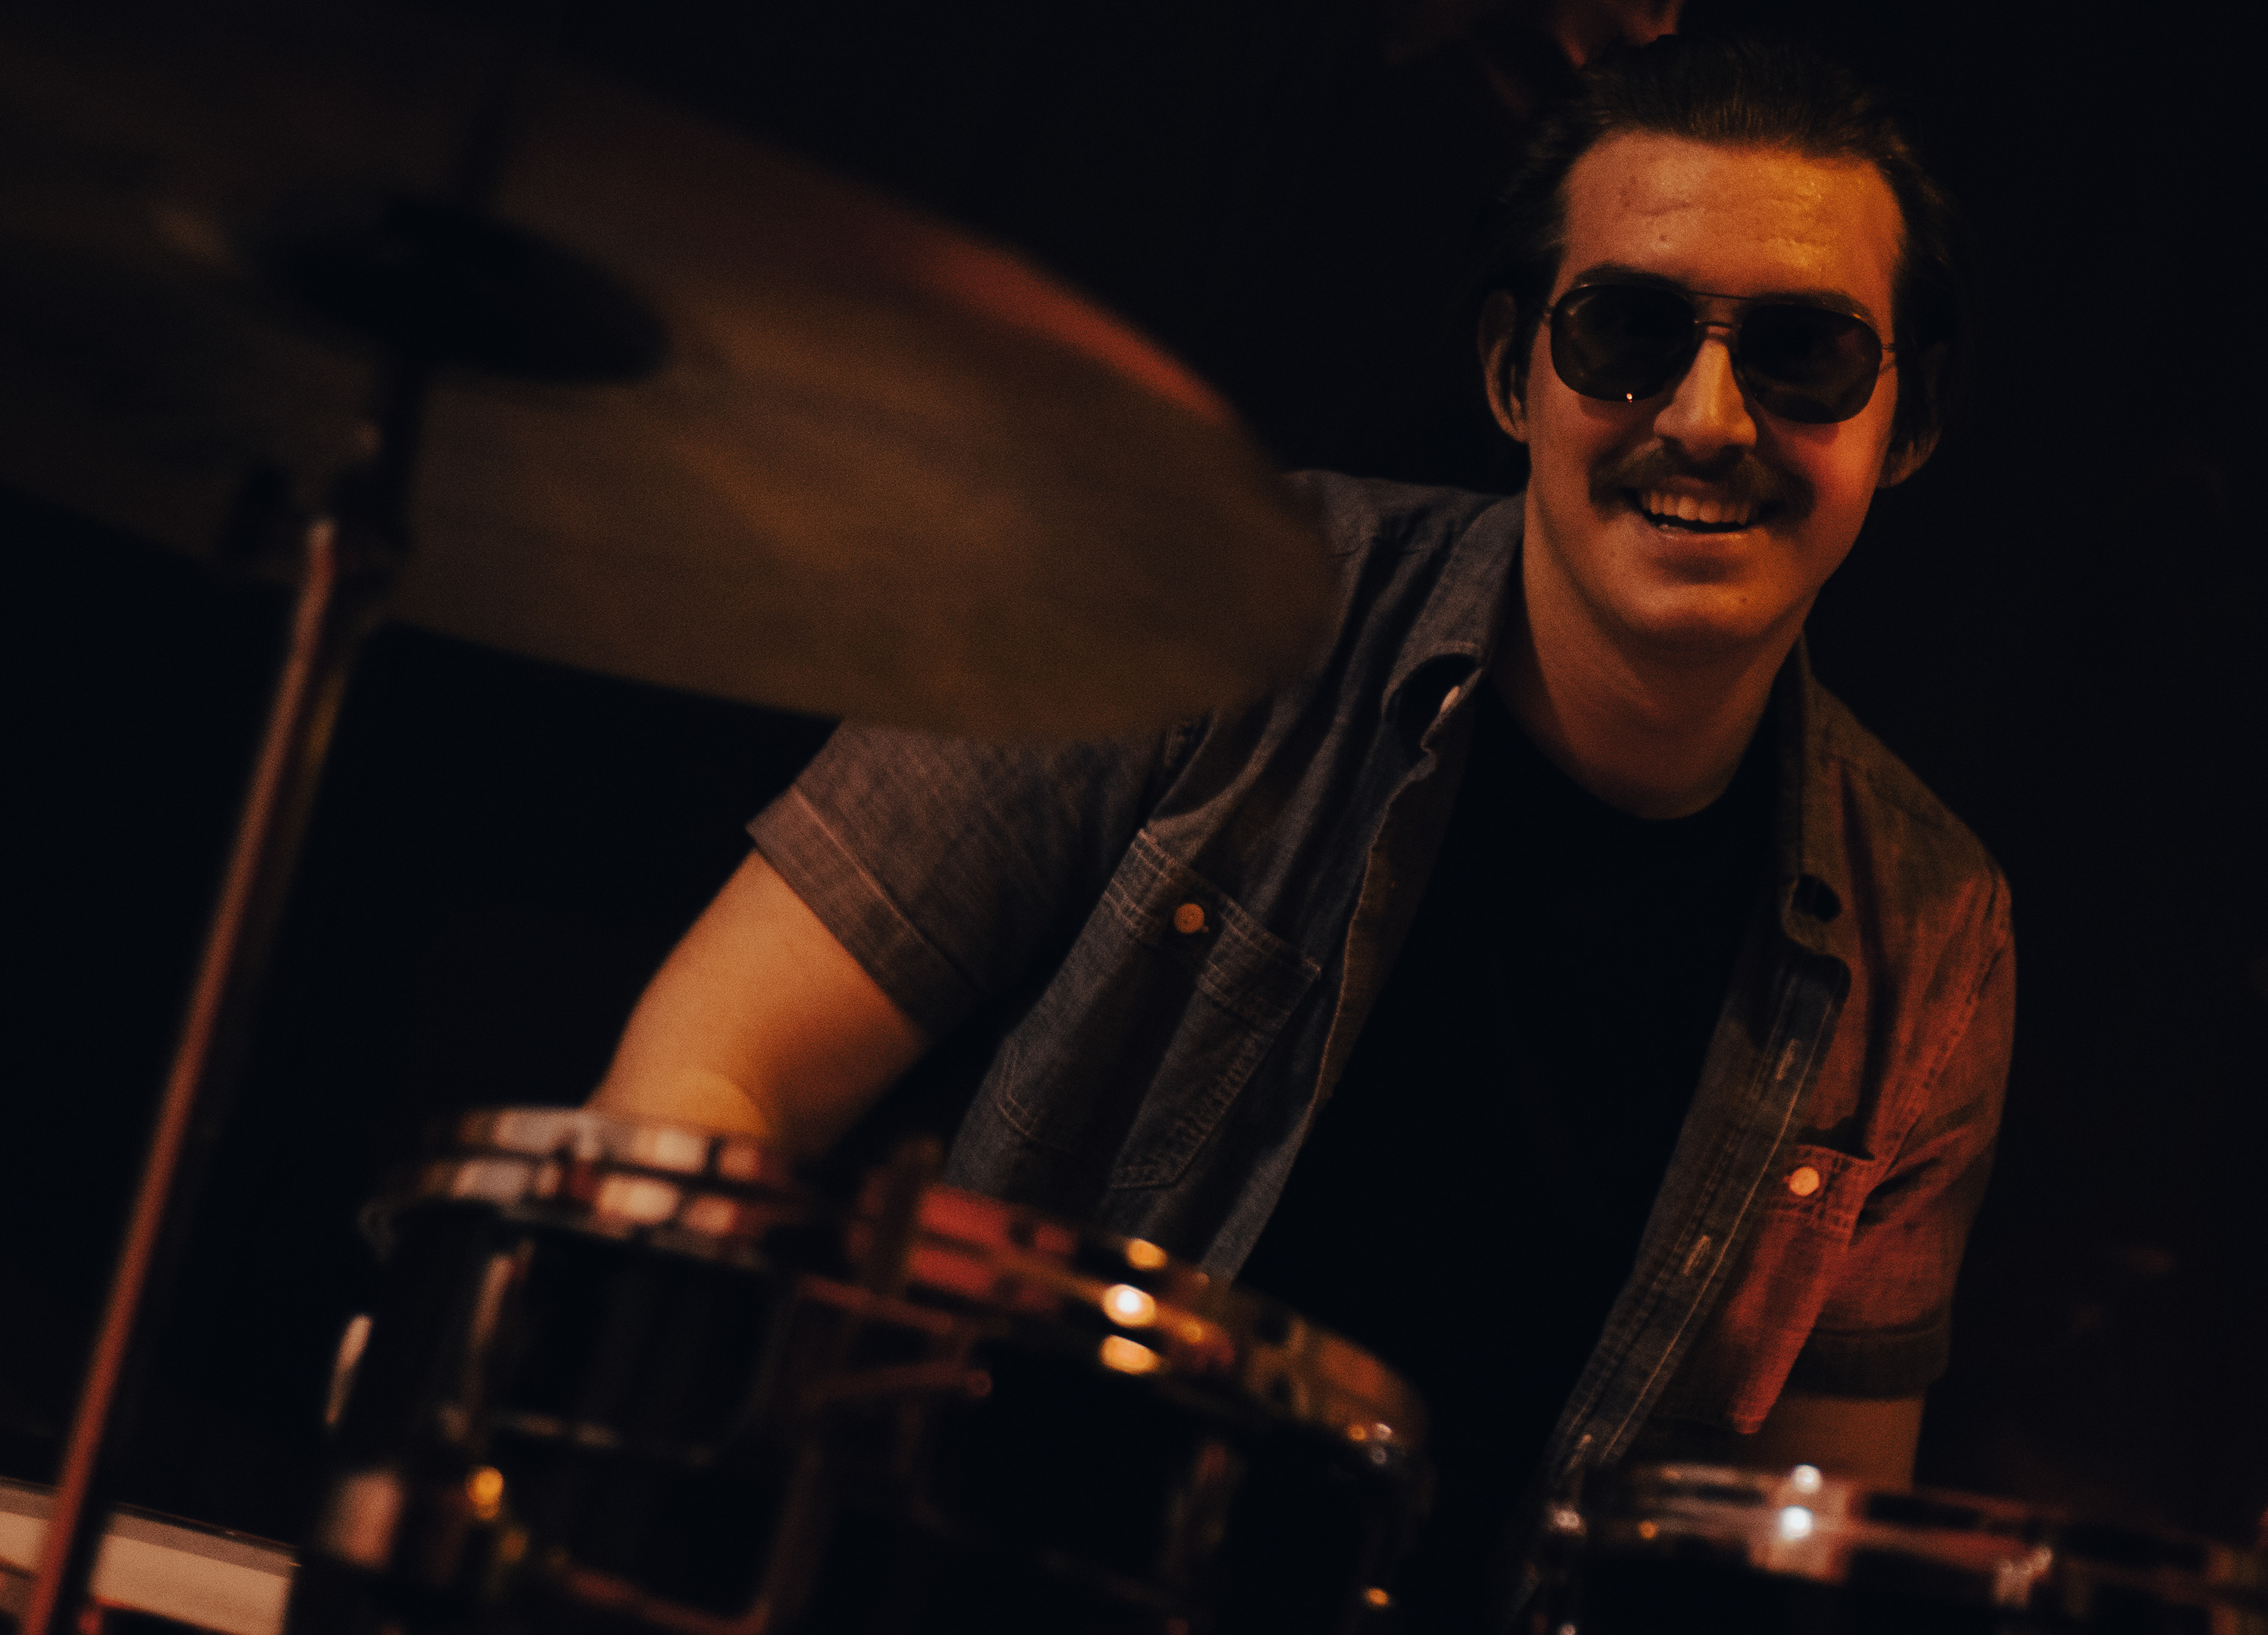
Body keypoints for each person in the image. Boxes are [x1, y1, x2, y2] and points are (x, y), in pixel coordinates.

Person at [591, 36, 2011, 1627]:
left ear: (1906, 422)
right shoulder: (1194, 605)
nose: (1708, 416)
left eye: (1806, 355)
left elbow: (1802, 1557)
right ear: (1512, 376)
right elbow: (711, 1068)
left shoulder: (1935, 933)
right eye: (1626, 331)